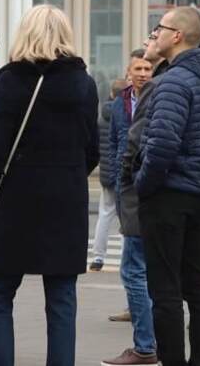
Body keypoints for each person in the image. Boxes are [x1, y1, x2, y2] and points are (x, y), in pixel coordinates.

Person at [0, 5, 99, 366]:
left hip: (15, 198)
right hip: (66, 200)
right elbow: (92, 148)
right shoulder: (83, 83)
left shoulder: (10, 79)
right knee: (61, 297)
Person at [134, 6, 200, 366]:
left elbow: (161, 144)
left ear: (176, 36)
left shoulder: (173, 81)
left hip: (169, 195)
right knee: (198, 283)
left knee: (166, 290)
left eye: (159, 28)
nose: (153, 34)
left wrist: (144, 185)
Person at [103, 50, 159, 366]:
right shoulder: (120, 104)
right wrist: (117, 176)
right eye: (137, 68)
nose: (142, 73)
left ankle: (146, 344)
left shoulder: (157, 97)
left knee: (135, 268)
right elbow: (115, 141)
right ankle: (149, 335)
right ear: (128, 72)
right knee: (137, 264)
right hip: (127, 187)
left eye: (147, 67)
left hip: (144, 187)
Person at [93, 77, 125, 272]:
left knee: (104, 215)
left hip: (106, 171)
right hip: (121, 170)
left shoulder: (102, 115)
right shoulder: (123, 114)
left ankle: (98, 256)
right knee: (126, 219)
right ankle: (124, 256)